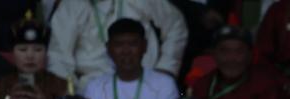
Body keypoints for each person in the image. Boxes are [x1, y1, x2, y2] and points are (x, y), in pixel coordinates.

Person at [47, 0, 188, 90]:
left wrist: (166, 68)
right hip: (92, 85)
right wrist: (71, 92)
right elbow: (58, 55)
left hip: (145, 82)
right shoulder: (70, 6)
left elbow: (176, 25)